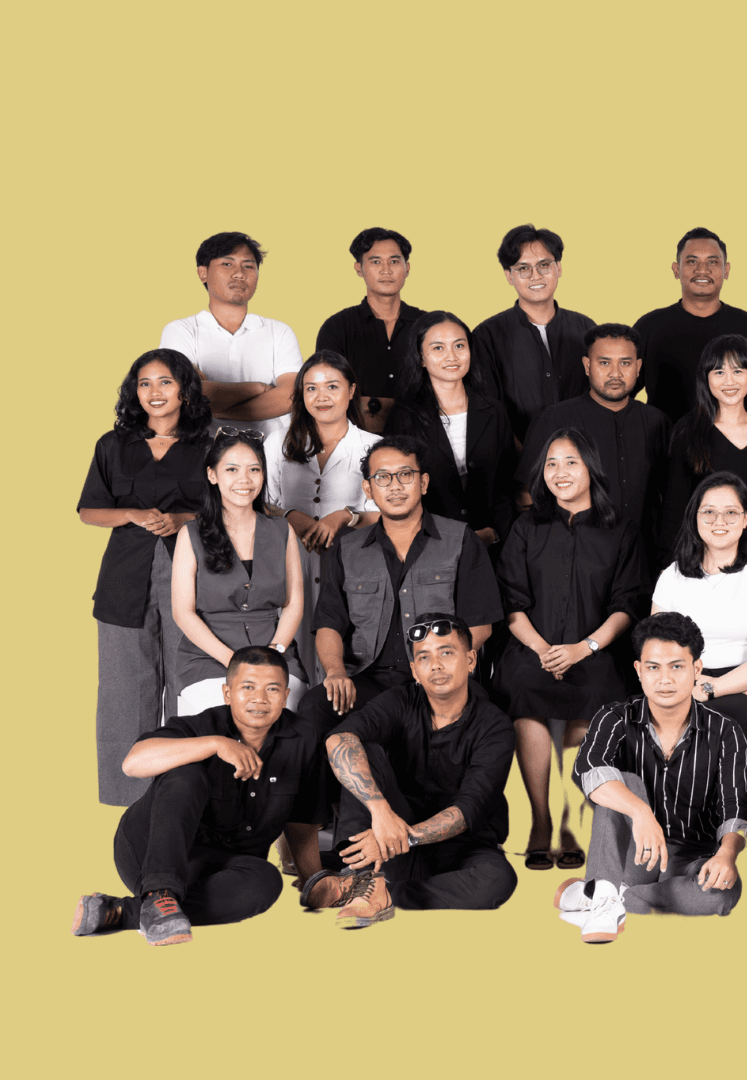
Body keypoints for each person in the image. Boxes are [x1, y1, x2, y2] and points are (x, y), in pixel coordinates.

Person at [70, 647, 325, 946]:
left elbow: (302, 820)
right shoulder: (199, 727)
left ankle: (125, 912)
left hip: (221, 868)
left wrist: (314, 881)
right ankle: (159, 894)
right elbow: (133, 764)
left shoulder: (304, 739)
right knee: (185, 773)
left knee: (267, 882)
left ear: (285, 695)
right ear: (227, 693)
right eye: (247, 687)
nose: (260, 698)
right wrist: (216, 745)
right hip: (148, 852)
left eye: (272, 689)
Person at [302, 615, 518, 926]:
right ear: (414, 670)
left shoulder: (495, 726)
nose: (436, 665)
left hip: (459, 849)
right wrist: (380, 813)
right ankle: (367, 881)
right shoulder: (400, 699)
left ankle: (377, 889)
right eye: (424, 657)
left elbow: (467, 810)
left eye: (446, 652)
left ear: (470, 660)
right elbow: (338, 740)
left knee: (497, 880)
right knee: (362, 750)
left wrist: (396, 838)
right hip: (391, 840)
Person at [497, 430, 648, 870]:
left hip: (597, 648)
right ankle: (542, 820)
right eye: (551, 464)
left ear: (590, 469)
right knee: (525, 691)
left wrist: (584, 647)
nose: (560, 473)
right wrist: (544, 649)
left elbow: (628, 604)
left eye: (571, 463)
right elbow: (512, 602)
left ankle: (569, 819)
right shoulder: (526, 527)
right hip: (532, 646)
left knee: (595, 691)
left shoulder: (620, 529)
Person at [554, 612, 747, 942]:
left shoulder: (726, 731)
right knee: (623, 781)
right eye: (653, 667)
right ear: (638, 671)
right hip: (635, 853)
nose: (665, 679)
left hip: (693, 859)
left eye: (677, 666)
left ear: (697, 670)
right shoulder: (614, 717)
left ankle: (605, 895)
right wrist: (640, 812)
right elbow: (587, 769)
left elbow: (737, 807)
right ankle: (604, 897)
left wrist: (726, 856)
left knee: (720, 895)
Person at [80, 349, 212, 804]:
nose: (154, 392)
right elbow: (88, 511)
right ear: (134, 392)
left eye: (165, 382)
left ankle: (186, 792)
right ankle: (128, 799)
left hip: (191, 573)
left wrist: (182, 520)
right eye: (144, 383)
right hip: (124, 578)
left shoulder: (208, 445)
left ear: (185, 390)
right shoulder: (112, 445)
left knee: (189, 681)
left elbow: (233, 508)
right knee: (123, 689)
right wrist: (132, 514)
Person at [306, 436, 503, 720]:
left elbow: (480, 625)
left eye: (405, 475)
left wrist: (442, 670)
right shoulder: (346, 549)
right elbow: (328, 623)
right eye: (383, 477)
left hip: (438, 679)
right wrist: (336, 673)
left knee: (478, 714)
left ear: (423, 483)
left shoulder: (461, 540)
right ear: (369, 489)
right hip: (367, 679)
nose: (395, 486)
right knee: (314, 708)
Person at [651, 473, 747, 763]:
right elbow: (657, 650)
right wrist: (694, 681)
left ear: (746, 518)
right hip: (684, 680)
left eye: (730, 513)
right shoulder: (672, 576)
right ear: (695, 517)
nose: (719, 521)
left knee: (720, 725)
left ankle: (726, 807)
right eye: (709, 512)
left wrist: (714, 687)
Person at [171, 431, 307, 714]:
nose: (244, 480)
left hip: (274, 652)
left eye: (254, 469)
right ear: (212, 475)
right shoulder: (191, 534)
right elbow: (183, 613)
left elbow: (294, 602)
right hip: (208, 658)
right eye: (232, 469)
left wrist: (276, 650)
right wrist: (233, 661)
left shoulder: (282, 530)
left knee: (285, 717)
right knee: (223, 717)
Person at [516, 324, 670, 566]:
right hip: (574, 561)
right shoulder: (554, 420)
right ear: (587, 366)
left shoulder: (657, 422)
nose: (615, 373)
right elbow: (527, 497)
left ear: (638, 367)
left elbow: (670, 496)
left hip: (645, 560)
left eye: (625, 363)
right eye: (605, 363)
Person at [262, 352, 379, 669]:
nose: (321, 396)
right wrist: (288, 515)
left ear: (351, 391)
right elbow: (261, 503)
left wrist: (345, 516)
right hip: (289, 562)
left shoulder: (375, 447)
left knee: (345, 654)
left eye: (332, 386)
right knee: (290, 652)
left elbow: (391, 513)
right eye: (311, 388)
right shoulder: (277, 443)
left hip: (352, 566)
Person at [632, 226, 747, 425]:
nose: (702, 270)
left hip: (736, 451)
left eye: (712, 262)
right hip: (663, 451)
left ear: (726, 270)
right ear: (676, 269)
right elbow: (622, 392)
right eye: (692, 261)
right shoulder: (648, 327)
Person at [384, 311, 517, 544]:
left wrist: (496, 533)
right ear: (421, 358)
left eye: (459, 346)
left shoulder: (494, 412)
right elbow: (398, 490)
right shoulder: (403, 418)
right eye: (438, 348)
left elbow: (505, 485)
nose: (451, 357)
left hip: (493, 543)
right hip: (430, 545)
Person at [159, 231, 301, 441]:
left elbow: (291, 397)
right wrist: (259, 388)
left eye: (248, 266)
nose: (239, 274)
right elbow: (183, 395)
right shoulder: (181, 330)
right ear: (203, 273)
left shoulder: (279, 331)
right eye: (227, 264)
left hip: (270, 453)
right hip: (202, 449)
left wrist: (212, 406)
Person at [660, 334, 747, 565]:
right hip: (700, 560)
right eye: (719, 372)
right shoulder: (687, 430)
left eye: (738, 371)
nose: (729, 381)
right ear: (706, 378)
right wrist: (671, 569)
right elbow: (673, 511)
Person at [471, 224, 596, 443]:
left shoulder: (586, 328)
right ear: (509, 276)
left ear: (558, 268)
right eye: (523, 268)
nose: (535, 276)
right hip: (515, 462)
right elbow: (487, 410)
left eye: (544, 265)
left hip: (584, 456)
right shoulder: (486, 336)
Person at [315, 227, 425, 431]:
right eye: (375, 262)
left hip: (422, 440)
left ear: (407, 268)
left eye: (394, 261)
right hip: (354, 442)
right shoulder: (337, 327)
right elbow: (326, 393)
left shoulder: (428, 325)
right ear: (359, 268)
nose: (386, 270)